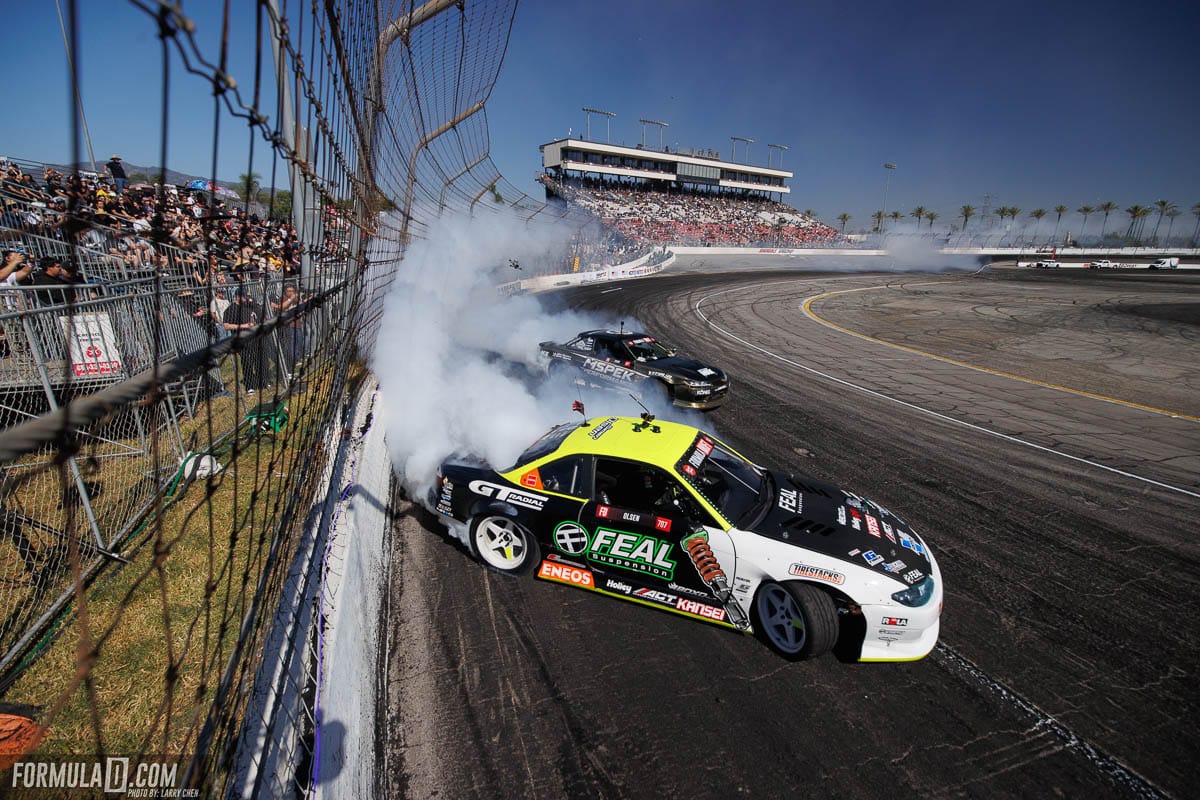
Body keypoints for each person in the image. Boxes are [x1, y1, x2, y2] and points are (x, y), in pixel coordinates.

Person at [222, 289, 272, 394]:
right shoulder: (231, 309)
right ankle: (250, 386)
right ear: (237, 297)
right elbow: (226, 326)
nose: (246, 298)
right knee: (247, 362)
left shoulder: (251, 306)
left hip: (257, 338)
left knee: (261, 360)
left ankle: (264, 381)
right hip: (243, 341)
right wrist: (243, 326)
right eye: (244, 296)